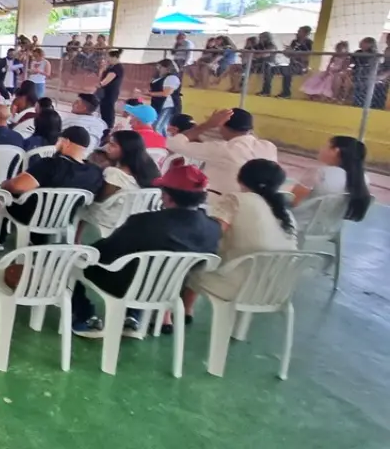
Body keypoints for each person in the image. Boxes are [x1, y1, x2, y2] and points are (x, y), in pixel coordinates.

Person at [70, 164, 222, 337]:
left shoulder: (144, 222)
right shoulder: (213, 228)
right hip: (168, 289)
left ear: (167, 196)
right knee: (146, 270)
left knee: (74, 261)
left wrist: (83, 251)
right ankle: (132, 316)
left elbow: (106, 252)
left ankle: (85, 316)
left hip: (123, 285)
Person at [190, 159, 297, 302]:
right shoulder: (285, 212)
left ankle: (183, 311)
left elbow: (212, 234)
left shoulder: (235, 200)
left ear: (240, 178)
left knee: (189, 264)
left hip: (237, 284)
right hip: (275, 288)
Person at [1, 127, 104, 242]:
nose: (56, 144)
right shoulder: (95, 172)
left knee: (1, 197)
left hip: (33, 217)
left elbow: (16, 186)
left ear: (66, 142)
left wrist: (4, 184)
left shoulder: (50, 165)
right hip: (64, 219)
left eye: (58, 141)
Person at [167, 108, 277, 215]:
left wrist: (207, 125)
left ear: (222, 127)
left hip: (219, 208)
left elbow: (173, 144)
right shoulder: (268, 147)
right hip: (258, 207)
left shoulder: (223, 149)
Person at [78, 130, 161, 237]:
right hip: (131, 218)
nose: (107, 147)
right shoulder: (149, 168)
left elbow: (99, 200)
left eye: (113, 145)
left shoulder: (114, 173)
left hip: (107, 219)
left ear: (126, 150)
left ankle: (76, 239)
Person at [290, 136, 371, 221]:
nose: (321, 149)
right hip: (330, 230)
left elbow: (291, 200)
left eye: (326, 146)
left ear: (336, 151)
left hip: (298, 225)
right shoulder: (364, 180)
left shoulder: (319, 174)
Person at [262, 25, 312, 98]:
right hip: (291, 65)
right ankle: (266, 91)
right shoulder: (294, 42)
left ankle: (286, 93)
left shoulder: (309, 43)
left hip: (301, 67)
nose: (297, 33)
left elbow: (307, 57)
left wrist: (295, 54)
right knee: (270, 69)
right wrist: (287, 52)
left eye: (299, 31)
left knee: (287, 71)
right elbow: (289, 56)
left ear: (306, 33)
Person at [137, 59, 181, 133]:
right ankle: (161, 142)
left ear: (168, 68)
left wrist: (150, 93)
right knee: (159, 127)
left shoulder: (172, 78)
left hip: (167, 106)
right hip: (159, 105)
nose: (158, 69)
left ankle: (159, 143)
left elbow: (166, 93)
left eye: (160, 67)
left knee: (158, 127)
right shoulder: (161, 78)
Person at [95, 49, 124, 132]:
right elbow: (102, 77)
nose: (107, 59)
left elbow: (109, 78)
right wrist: (102, 68)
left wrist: (101, 84)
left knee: (108, 109)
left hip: (111, 92)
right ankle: (104, 125)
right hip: (105, 92)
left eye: (109, 57)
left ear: (114, 57)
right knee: (103, 108)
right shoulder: (110, 67)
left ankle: (109, 126)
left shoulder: (117, 67)